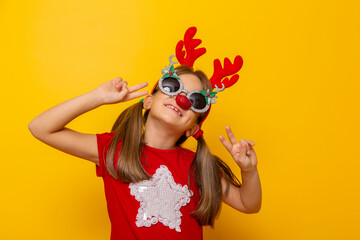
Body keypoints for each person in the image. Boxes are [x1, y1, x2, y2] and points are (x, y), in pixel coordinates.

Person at [28, 27, 262, 240]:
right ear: (148, 101)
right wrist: (96, 98)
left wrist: (249, 170)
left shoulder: (199, 165)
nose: (180, 99)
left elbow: (248, 203)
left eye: (196, 100)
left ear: (193, 128)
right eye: (172, 87)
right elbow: (40, 128)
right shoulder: (114, 150)